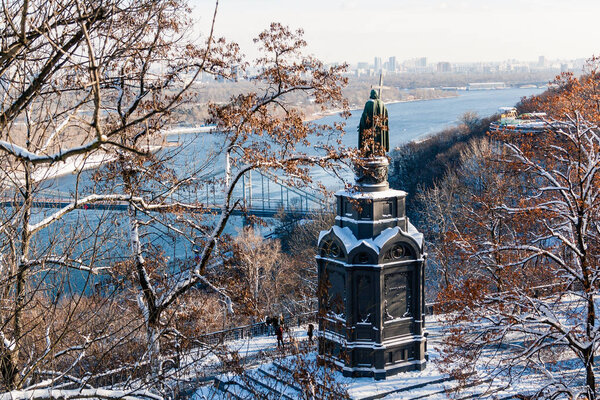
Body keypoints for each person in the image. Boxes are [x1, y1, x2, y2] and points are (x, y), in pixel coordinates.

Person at [358, 89, 389, 156]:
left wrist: (361, 126)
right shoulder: (382, 104)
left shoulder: (369, 104)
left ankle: (369, 153)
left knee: (369, 142)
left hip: (370, 130)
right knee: (379, 141)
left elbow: (364, 118)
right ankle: (381, 151)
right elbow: (386, 117)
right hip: (380, 131)